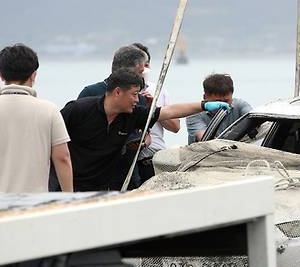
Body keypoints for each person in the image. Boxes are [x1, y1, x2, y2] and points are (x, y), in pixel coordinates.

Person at [60, 69, 228, 191]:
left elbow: (168, 111)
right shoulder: (78, 110)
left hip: (102, 188)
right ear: (118, 92)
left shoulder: (133, 115)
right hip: (65, 185)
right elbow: (51, 140)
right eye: (134, 94)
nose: (137, 99)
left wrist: (204, 105)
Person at [0, 44, 73, 193]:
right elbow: (63, 158)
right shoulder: (49, 110)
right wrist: (69, 199)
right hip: (35, 204)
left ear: (1, 75)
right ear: (34, 75)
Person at [76, 45, 151, 189]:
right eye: (141, 72)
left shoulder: (139, 99)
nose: (143, 76)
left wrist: (142, 142)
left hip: (128, 176)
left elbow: (146, 134)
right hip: (92, 176)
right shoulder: (89, 93)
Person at [132, 42, 180, 182]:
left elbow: (175, 127)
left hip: (153, 158)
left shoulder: (158, 90)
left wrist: (153, 109)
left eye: (146, 65)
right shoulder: (118, 91)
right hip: (129, 158)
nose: (144, 69)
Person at [186, 74, 252, 144]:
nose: (223, 105)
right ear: (205, 97)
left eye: (226, 101)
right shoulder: (194, 113)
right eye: (217, 102)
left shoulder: (241, 106)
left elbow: (254, 120)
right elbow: (204, 139)